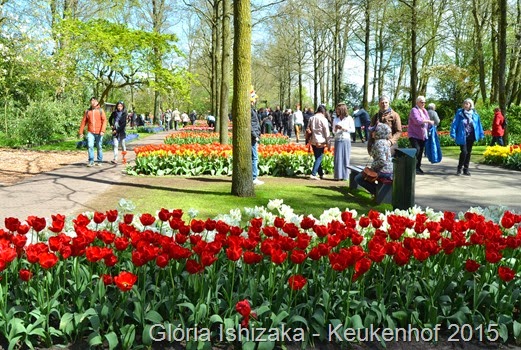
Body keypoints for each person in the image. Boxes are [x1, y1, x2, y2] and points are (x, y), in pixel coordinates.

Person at [355, 123, 393, 196]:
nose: (372, 133)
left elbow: (382, 161)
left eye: (374, 131)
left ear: (379, 132)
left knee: (359, 178)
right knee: (362, 176)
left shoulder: (379, 143)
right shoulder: (384, 141)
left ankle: (378, 193)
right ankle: (377, 193)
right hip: (387, 170)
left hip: (384, 171)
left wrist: (372, 167)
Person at [450, 98, 485, 176]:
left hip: (471, 135)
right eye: (464, 103)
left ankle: (466, 169)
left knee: (468, 153)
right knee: (464, 152)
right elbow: (454, 124)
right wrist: (453, 134)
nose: (465, 105)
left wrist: (481, 134)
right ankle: (459, 168)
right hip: (462, 136)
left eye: (467, 103)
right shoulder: (459, 113)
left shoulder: (475, 114)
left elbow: (479, 125)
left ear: (470, 105)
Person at [408, 96, 435, 175]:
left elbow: (427, 123)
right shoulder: (414, 110)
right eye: (421, 102)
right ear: (417, 102)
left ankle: (417, 167)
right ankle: (412, 167)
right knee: (417, 149)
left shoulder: (425, 111)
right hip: (414, 134)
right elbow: (417, 121)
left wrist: (430, 127)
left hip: (422, 135)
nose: (423, 103)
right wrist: (428, 121)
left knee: (420, 152)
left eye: (424, 102)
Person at [78, 97, 107, 167]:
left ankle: (99, 161)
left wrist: (103, 130)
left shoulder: (100, 110)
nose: (93, 102)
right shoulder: (88, 111)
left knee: (99, 146)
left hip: (99, 132)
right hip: (90, 132)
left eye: (94, 101)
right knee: (90, 145)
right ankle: (91, 161)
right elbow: (83, 122)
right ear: (90, 102)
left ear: (97, 102)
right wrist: (80, 132)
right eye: (92, 101)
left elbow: (104, 121)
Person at [332, 103, 355, 180]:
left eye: (338, 110)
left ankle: (345, 176)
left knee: (345, 157)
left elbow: (353, 130)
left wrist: (344, 129)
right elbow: (333, 131)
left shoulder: (349, 118)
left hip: (345, 139)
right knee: (338, 158)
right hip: (338, 139)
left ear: (342, 110)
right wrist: (335, 129)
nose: (336, 111)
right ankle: (338, 175)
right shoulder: (336, 119)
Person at [307, 105, 330, 180]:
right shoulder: (324, 119)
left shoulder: (311, 118)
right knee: (319, 157)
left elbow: (308, 129)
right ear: (323, 111)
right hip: (321, 140)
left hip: (313, 140)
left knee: (317, 157)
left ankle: (321, 174)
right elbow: (326, 132)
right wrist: (328, 142)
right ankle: (313, 174)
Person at [251, 102, 264, 186]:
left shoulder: (251, 110)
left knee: (254, 157)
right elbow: (250, 125)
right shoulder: (250, 110)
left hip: (255, 134)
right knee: (254, 157)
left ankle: (253, 176)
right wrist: (255, 135)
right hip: (253, 136)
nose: (255, 101)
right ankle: (254, 177)